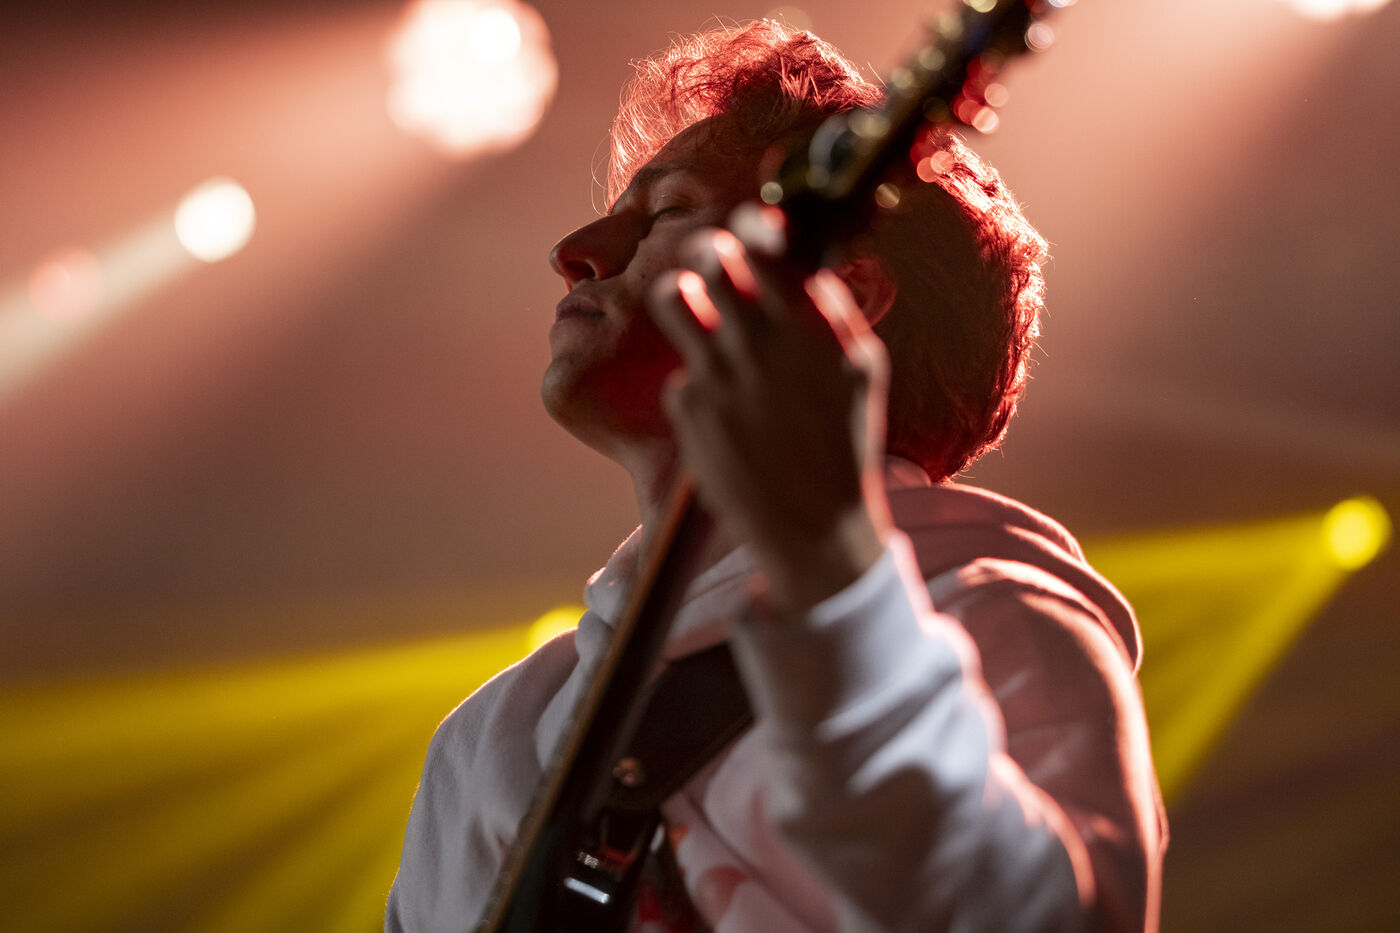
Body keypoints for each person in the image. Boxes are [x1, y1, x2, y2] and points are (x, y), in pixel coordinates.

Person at [387, 19, 1165, 933]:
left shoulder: (998, 614)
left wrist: (833, 569)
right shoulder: (488, 738)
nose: (578, 247)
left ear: (842, 306)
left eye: (668, 210)